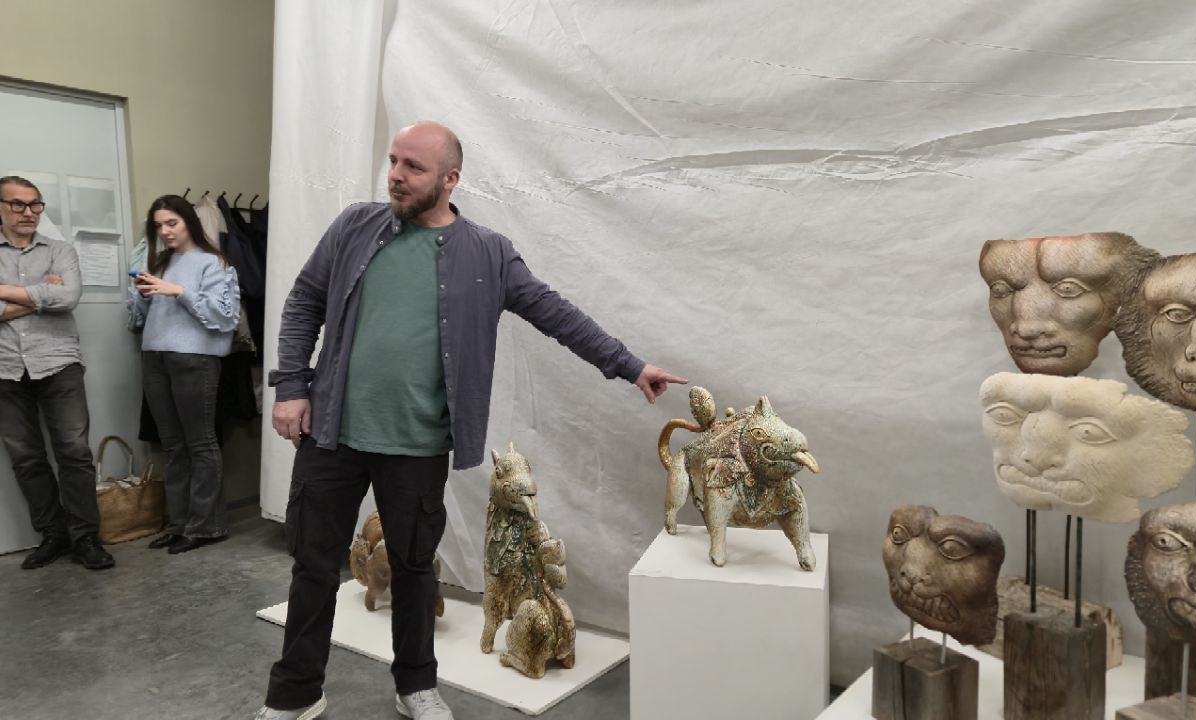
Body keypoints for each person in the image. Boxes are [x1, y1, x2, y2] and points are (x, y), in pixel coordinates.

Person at [255, 122, 685, 720]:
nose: (396, 176)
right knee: (313, 566)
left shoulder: (488, 253)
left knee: (413, 570)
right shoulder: (354, 226)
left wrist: (629, 365)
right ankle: (296, 693)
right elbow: (304, 300)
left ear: (450, 179)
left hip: (418, 443)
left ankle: (415, 686)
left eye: (413, 167)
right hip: (330, 433)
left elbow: (556, 314)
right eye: (394, 161)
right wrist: (291, 387)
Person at [0, 175, 113, 570]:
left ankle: (86, 538)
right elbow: (54, 297)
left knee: (74, 453)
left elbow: (69, 296)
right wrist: (41, 296)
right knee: (26, 457)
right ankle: (54, 535)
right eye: (17, 204)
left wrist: (5, 291)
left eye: (35, 204)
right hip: (5, 367)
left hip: (58, 362)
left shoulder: (60, 250)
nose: (28, 212)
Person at [127, 195, 241, 554]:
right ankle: (178, 524)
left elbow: (226, 317)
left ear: (189, 221)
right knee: (172, 445)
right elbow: (141, 318)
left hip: (195, 359)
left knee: (200, 443)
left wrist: (178, 290)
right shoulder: (159, 262)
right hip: (155, 357)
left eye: (171, 223)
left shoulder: (214, 262)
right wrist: (143, 294)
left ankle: (206, 526)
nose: (165, 231)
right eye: (158, 225)